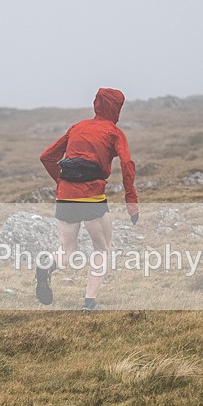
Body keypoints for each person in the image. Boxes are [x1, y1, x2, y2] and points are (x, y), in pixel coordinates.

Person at [36, 88, 139, 310]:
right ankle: (89, 303)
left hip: (66, 197)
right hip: (92, 196)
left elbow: (47, 157)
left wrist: (62, 184)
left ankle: (46, 266)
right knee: (102, 249)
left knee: (67, 251)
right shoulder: (114, 132)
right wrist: (131, 203)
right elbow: (127, 164)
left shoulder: (78, 127)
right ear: (116, 108)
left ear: (96, 104)